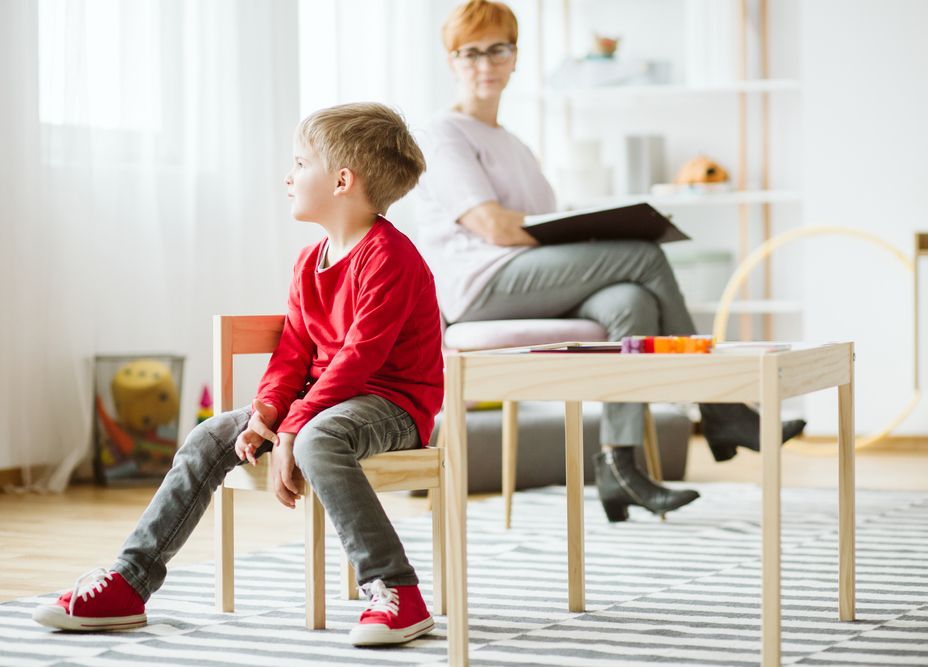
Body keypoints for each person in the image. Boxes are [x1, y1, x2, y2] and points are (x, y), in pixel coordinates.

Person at [33, 103, 443, 647]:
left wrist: (294, 428)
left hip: (391, 404)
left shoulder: (390, 257)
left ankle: (397, 591)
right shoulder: (308, 262)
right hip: (320, 402)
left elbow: (359, 358)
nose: (288, 176)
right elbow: (294, 353)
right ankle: (129, 583)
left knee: (320, 437)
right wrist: (267, 414)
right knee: (209, 435)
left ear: (343, 180)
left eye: (300, 163)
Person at [414, 0, 806, 523]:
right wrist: (595, 243)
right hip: (479, 285)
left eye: (499, 49)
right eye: (471, 53)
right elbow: (494, 227)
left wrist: (589, 237)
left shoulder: (515, 144)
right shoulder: (443, 133)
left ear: (515, 57)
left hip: (527, 279)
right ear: (451, 61)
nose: (486, 64)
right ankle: (719, 404)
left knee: (632, 300)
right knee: (642, 254)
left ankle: (619, 466)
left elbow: (542, 225)